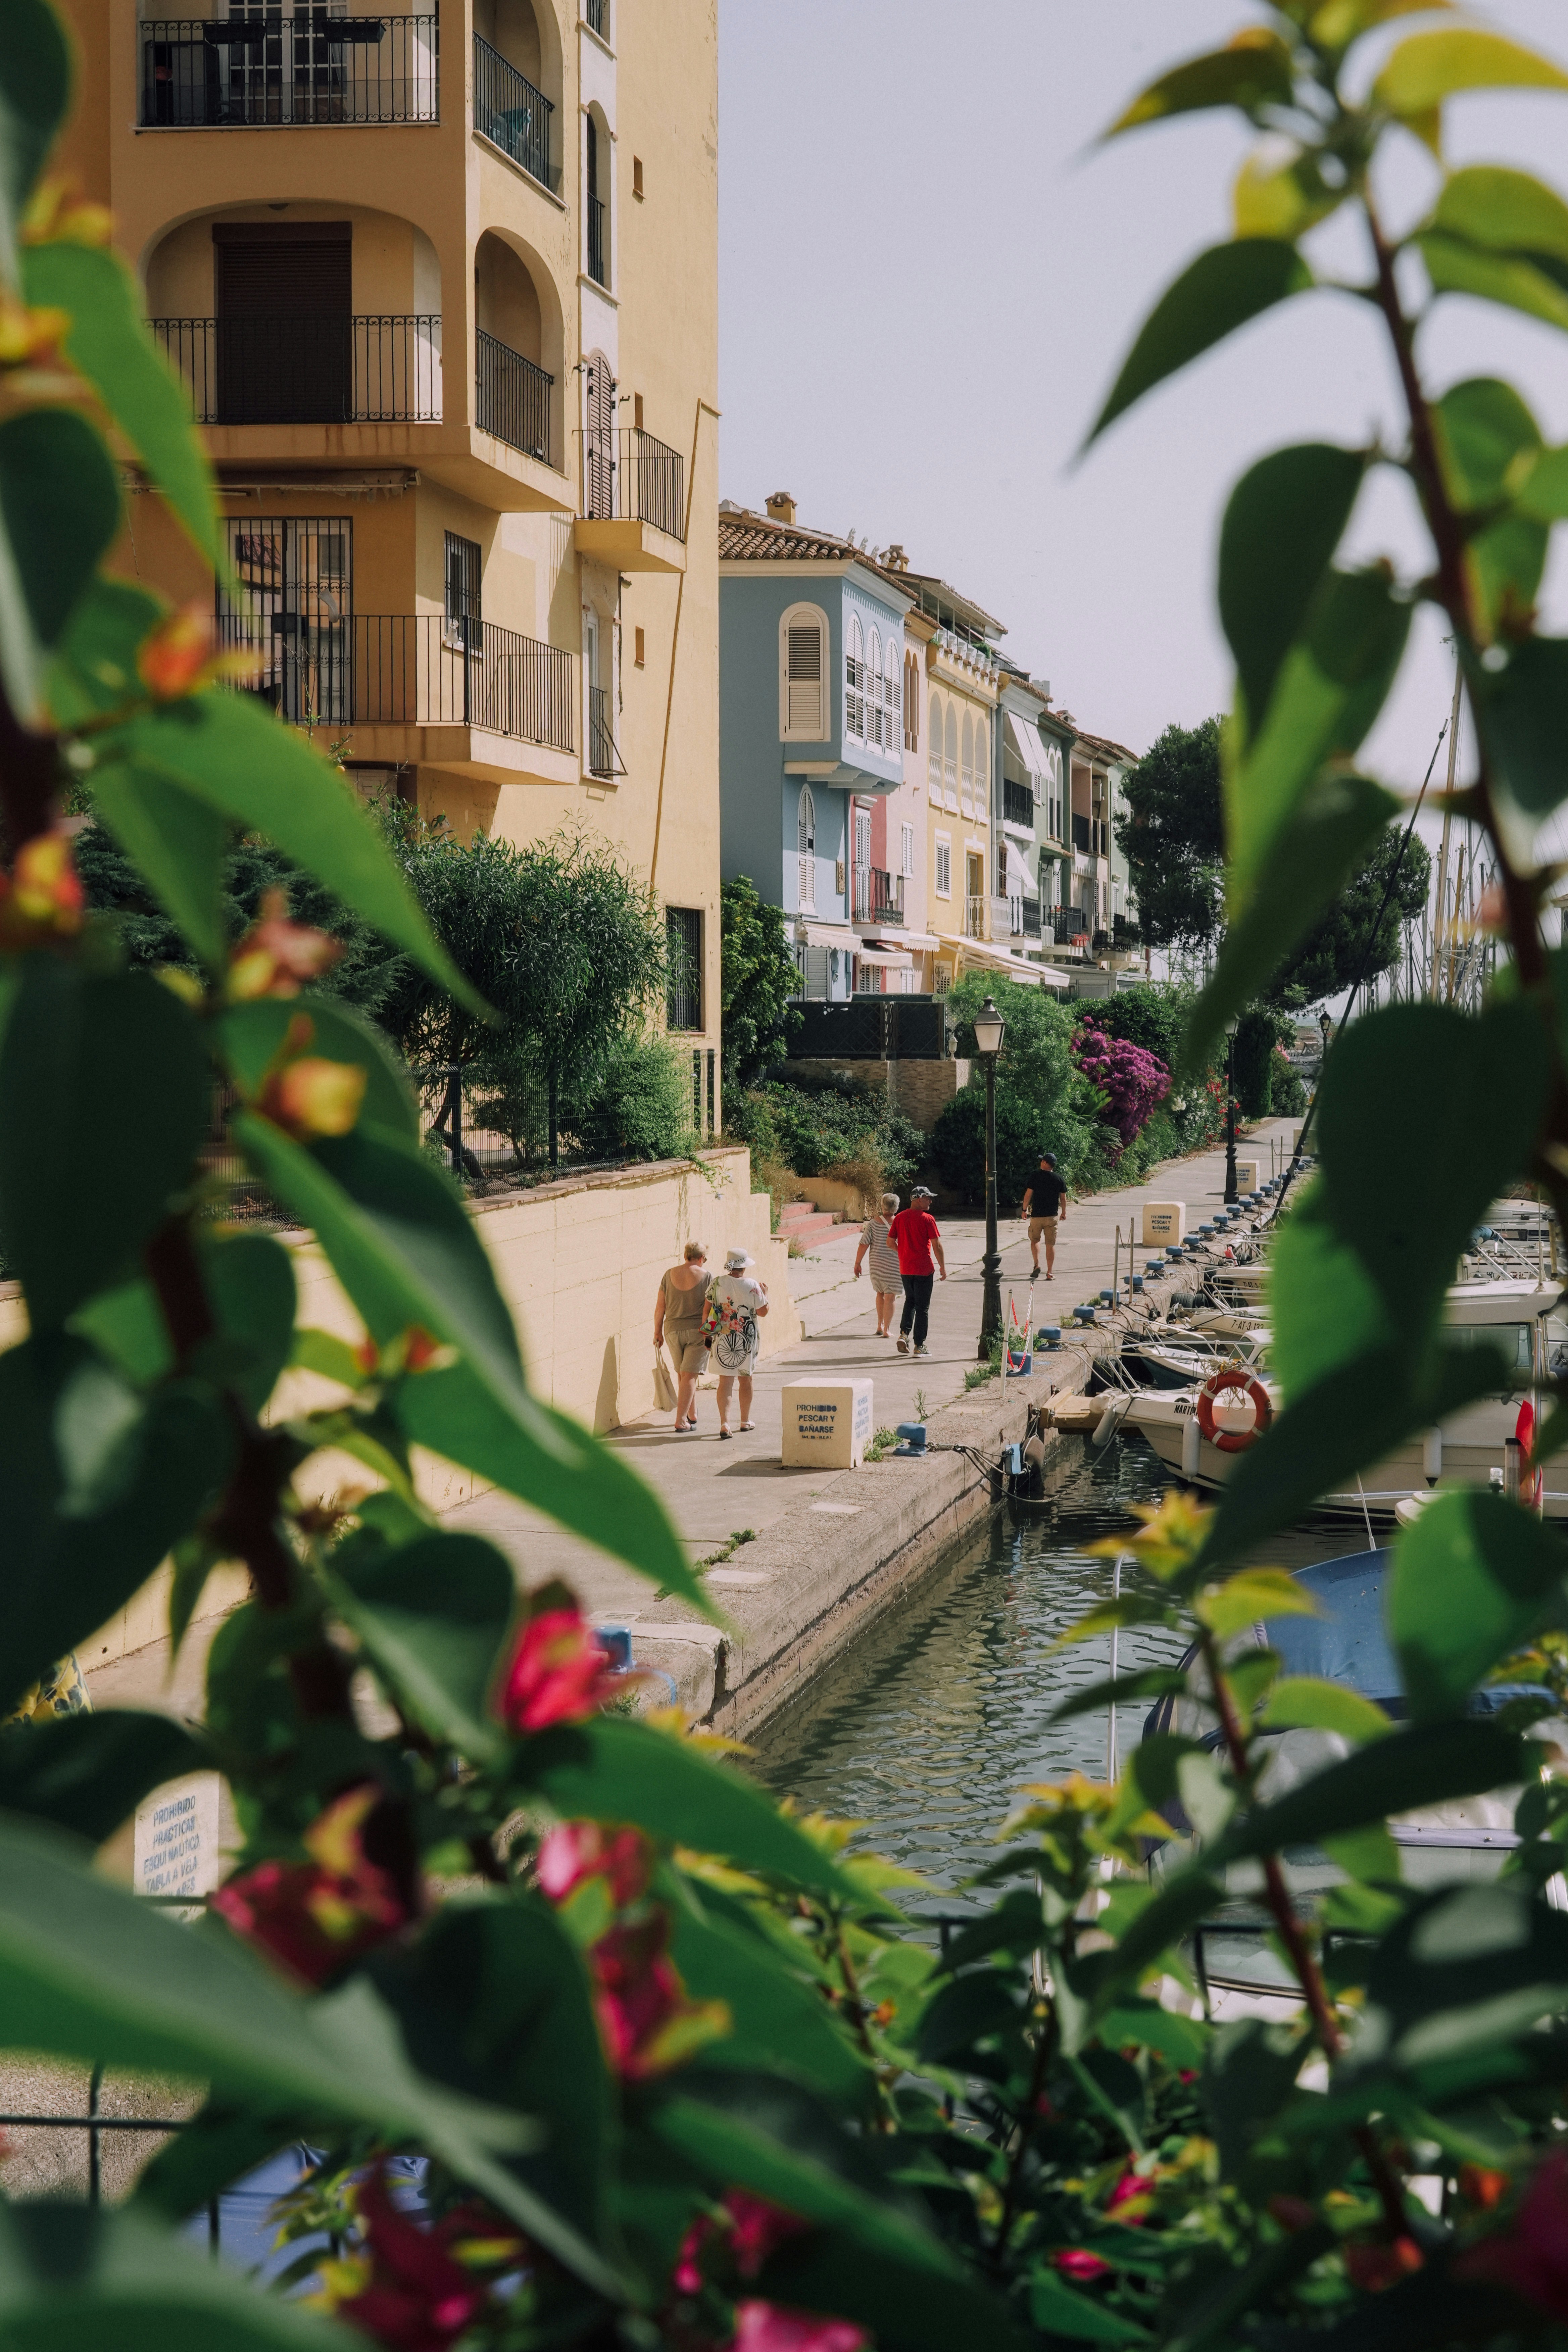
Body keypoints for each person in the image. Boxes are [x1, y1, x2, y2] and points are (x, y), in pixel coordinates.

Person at [704, 1245, 769, 1437]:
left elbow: (707, 1307)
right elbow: (763, 1312)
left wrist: (707, 1332)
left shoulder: (717, 1283)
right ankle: (745, 1421)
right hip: (746, 1339)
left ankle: (725, 1424)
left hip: (723, 1335)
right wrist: (766, 1294)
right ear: (744, 1267)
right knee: (746, 1379)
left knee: (725, 1381)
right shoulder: (752, 1285)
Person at [653, 1240, 711, 1431]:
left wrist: (658, 1332)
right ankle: (681, 1421)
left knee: (684, 1374)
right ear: (702, 1258)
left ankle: (692, 1414)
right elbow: (710, 1308)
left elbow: (660, 1307)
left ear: (685, 1255)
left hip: (672, 1330)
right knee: (690, 1375)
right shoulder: (707, 1276)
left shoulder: (669, 1275)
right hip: (697, 1331)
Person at [887, 1185, 945, 1357]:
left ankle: (904, 1335)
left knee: (910, 1302)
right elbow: (937, 1245)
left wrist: (904, 1252)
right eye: (928, 1198)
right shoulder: (928, 1219)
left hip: (906, 1268)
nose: (931, 1201)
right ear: (918, 1199)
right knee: (923, 1308)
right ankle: (920, 1346)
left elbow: (890, 1242)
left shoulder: (900, 1218)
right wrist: (943, 1266)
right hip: (924, 1269)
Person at [853, 1190, 903, 1337]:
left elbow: (864, 1244)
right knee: (891, 1297)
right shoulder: (900, 1223)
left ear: (882, 1206)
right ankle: (887, 1329)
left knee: (880, 1293)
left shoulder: (873, 1224)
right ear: (897, 1207)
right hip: (895, 1265)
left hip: (877, 1265)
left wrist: (858, 1263)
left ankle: (880, 1325)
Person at [1021, 1152, 1069, 1282]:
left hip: (1037, 1216)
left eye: (1042, 1161)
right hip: (1052, 1216)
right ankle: (1050, 1273)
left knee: (1035, 1240)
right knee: (1050, 1244)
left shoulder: (1035, 1177)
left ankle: (1037, 1265)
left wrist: (1024, 1210)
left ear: (1045, 1163)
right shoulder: (1059, 1178)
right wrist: (1064, 1213)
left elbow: (1028, 1195)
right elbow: (1063, 1198)